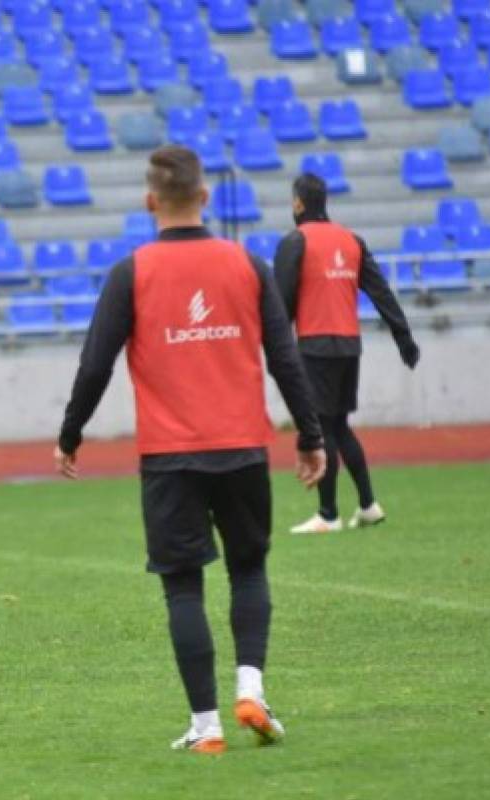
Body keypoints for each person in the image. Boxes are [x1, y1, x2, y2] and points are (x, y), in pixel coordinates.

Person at [54, 146, 326, 753]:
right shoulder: (248, 265)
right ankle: (250, 688)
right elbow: (285, 358)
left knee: (182, 587)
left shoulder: (132, 272)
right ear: (204, 198)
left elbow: (94, 364)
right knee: (248, 569)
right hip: (244, 450)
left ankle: (207, 727)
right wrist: (310, 436)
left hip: (170, 456)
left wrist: (70, 435)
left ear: (151, 201)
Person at [274, 174, 421, 535]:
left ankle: (328, 514)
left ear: (297, 204)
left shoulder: (296, 241)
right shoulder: (352, 241)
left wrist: (276, 349)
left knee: (323, 429)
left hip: (315, 345)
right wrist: (403, 336)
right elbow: (380, 290)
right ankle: (368, 505)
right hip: (349, 345)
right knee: (338, 426)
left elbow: (281, 303)